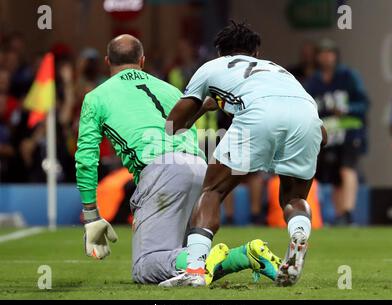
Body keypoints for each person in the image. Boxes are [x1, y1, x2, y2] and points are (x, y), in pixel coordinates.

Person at [75, 34, 280, 285]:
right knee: (183, 265)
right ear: (142, 60)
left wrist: (91, 215)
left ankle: (210, 258)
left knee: (146, 266)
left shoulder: (96, 97)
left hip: (161, 171)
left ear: (108, 61)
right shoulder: (170, 90)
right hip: (197, 165)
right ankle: (245, 256)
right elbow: (185, 129)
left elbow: (86, 158)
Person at [163, 22, 326, 287]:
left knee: (212, 191)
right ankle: (298, 233)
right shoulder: (280, 71)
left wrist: (204, 108)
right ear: (256, 54)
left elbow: (173, 125)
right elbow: (324, 135)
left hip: (257, 117)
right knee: (294, 197)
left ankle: (194, 272)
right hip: (307, 119)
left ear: (220, 53)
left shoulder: (212, 67)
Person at [306, 39, 370, 225]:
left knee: (347, 168)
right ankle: (339, 215)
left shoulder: (348, 76)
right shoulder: (314, 82)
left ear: (335, 56)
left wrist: (347, 109)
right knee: (334, 176)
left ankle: (348, 211)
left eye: (330, 53)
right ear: (317, 57)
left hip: (350, 131)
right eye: (322, 53)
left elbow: (363, 103)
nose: (326, 57)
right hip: (329, 133)